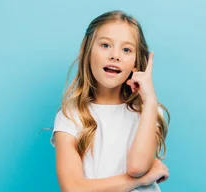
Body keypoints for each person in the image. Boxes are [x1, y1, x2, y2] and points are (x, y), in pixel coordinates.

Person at [50, 10, 171, 192]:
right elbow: (73, 189)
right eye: (105, 45)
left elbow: (137, 167)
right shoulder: (70, 117)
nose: (115, 55)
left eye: (126, 49)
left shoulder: (148, 111)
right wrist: (140, 180)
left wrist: (150, 101)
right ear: (88, 50)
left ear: (136, 62)